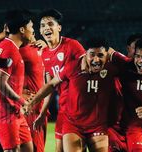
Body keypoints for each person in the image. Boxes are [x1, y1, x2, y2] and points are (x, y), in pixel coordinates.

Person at [24, 37, 127, 152]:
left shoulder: (111, 68)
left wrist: (115, 54)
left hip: (98, 126)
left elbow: (131, 66)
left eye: (101, 55)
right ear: (85, 54)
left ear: (107, 56)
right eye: (92, 55)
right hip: (73, 125)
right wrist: (32, 102)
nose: (96, 59)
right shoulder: (72, 66)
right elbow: (51, 84)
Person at [34, 8, 86, 152]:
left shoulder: (73, 45)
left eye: (50, 24)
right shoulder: (44, 54)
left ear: (59, 27)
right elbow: (49, 86)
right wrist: (43, 112)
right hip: (64, 110)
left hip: (80, 110)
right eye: (43, 25)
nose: (46, 28)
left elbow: (86, 71)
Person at [0, 10, 34, 152]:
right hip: (5, 112)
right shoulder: (9, 49)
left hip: (14, 110)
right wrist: (21, 100)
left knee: (28, 148)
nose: (33, 30)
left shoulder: (7, 47)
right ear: (22, 29)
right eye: (31, 27)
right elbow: (0, 82)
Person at [19, 36, 48, 152]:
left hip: (40, 108)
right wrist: (19, 93)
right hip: (30, 109)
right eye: (30, 28)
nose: (33, 34)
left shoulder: (38, 50)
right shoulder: (19, 51)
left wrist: (47, 48)